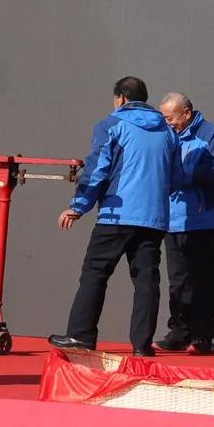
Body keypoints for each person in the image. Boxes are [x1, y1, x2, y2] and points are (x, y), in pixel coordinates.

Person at [49, 76, 181, 357]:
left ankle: (81, 335)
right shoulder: (168, 132)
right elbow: (175, 175)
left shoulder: (112, 125)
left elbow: (97, 169)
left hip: (116, 214)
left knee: (95, 273)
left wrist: (78, 206)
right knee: (147, 281)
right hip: (154, 218)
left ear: (120, 98)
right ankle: (142, 346)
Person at [153, 92, 214, 354]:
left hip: (201, 219)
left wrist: (180, 176)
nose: (167, 123)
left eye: (170, 118)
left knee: (202, 279)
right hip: (172, 219)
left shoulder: (211, 134)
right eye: (163, 118)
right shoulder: (165, 135)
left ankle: (201, 336)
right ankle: (178, 332)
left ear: (186, 113)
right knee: (177, 280)